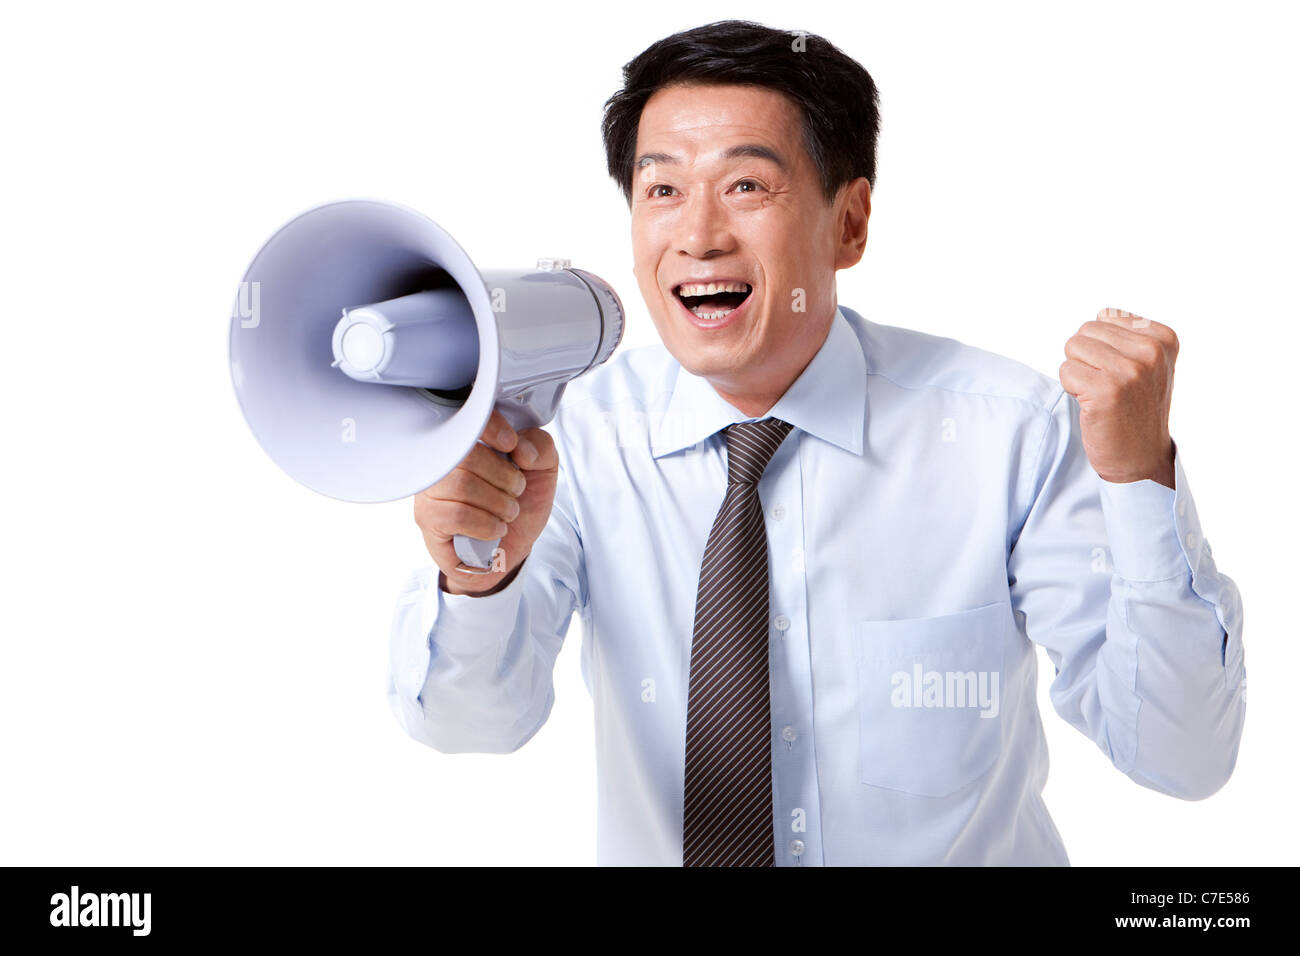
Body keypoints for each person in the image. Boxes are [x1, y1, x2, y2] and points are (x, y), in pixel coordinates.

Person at [385, 19, 1245, 866]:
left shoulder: (1009, 433)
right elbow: (471, 727)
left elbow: (1180, 756)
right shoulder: (577, 436)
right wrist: (475, 576)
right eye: (662, 190)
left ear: (850, 223)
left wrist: (1137, 480)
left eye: (748, 187)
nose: (698, 235)